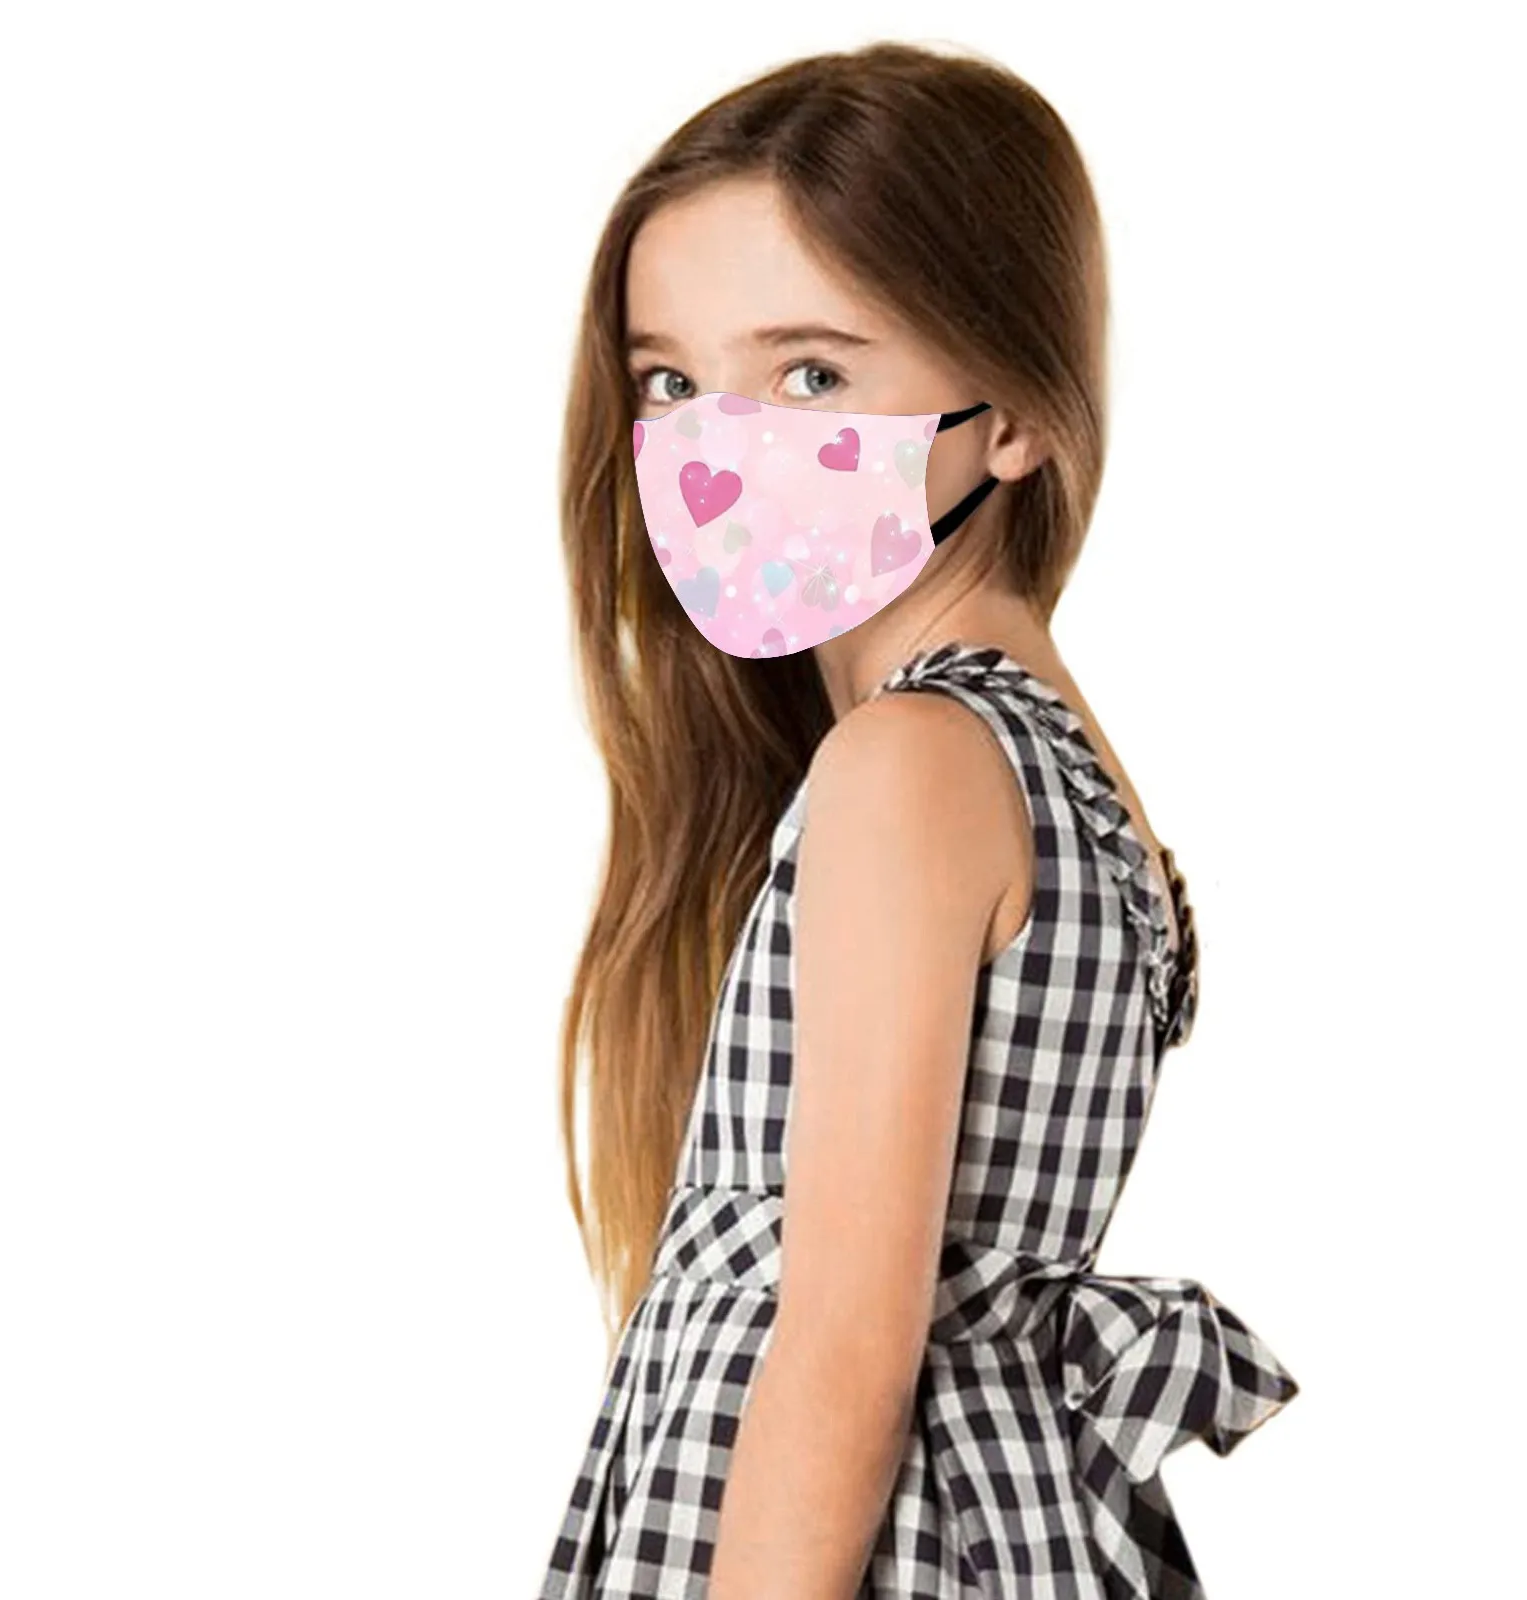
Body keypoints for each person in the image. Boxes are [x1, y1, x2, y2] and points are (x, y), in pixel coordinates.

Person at [538, 39, 1298, 1600]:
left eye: (811, 374)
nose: (720, 448)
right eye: (671, 381)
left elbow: (844, 1353)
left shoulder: (909, 765)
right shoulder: (1045, 759)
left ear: (1012, 414)